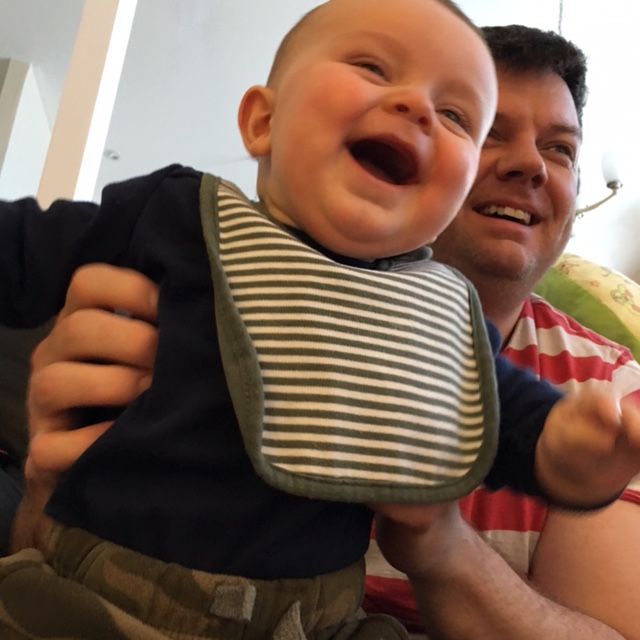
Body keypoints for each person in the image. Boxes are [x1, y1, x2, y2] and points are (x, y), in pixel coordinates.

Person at [2, 4, 639, 638]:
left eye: (454, 116)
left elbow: (516, 422)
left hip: (318, 622)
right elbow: (25, 248)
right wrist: (44, 478)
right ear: (263, 121)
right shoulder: (176, 218)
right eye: (373, 68)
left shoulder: (448, 328)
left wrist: (572, 450)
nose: (418, 107)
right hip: (110, 584)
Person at [364, 25, 640, 639]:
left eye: (560, 149)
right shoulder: (265, 304)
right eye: (489, 130)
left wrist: (440, 545)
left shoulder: (612, 397)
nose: (531, 165)